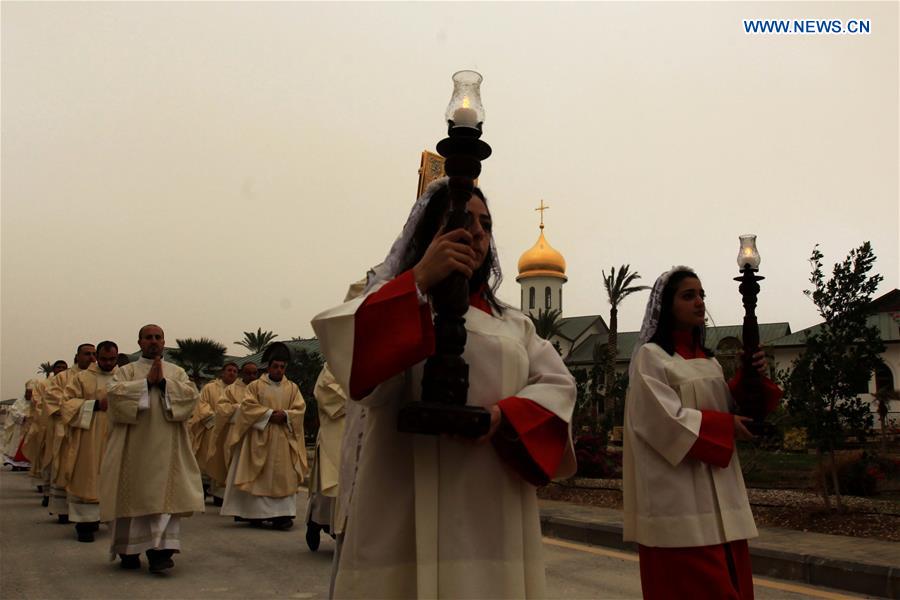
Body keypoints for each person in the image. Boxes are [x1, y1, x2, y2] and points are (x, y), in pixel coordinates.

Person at [311, 178, 576, 598]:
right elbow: (363, 376)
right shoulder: (396, 299)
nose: (476, 232)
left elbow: (559, 386)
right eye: (462, 220)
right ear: (429, 233)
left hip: (492, 505)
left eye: (485, 224)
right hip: (402, 498)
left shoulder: (516, 325)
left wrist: (503, 417)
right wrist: (418, 281)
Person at [623, 266, 782, 600]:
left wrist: (749, 377)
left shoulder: (709, 362)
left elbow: (727, 407)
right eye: (688, 295)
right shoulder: (650, 359)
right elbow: (662, 422)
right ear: (667, 306)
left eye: (701, 295)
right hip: (678, 507)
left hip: (723, 504)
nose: (699, 302)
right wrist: (726, 427)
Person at [101, 324, 204, 573]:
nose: (154, 341)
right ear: (139, 342)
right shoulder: (126, 372)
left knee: (165, 500)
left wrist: (165, 385)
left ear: (164, 341)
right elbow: (113, 397)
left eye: (158, 337)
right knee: (131, 497)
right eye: (148, 338)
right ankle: (129, 550)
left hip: (168, 447)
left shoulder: (176, 372)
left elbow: (191, 397)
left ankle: (161, 553)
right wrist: (146, 384)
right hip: (132, 449)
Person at [220, 343, 307, 530]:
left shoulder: (292, 388)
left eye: (282, 367)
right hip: (260, 437)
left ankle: (282, 515)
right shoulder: (255, 386)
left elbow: (299, 409)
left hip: (283, 438)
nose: (278, 370)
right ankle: (255, 514)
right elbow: (247, 407)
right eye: (275, 366)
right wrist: (268, 415)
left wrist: (286, 415)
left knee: (283, 475)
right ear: (268, 367)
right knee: (258, 474)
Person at [58, 340, 118, 542]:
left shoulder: (123, 377)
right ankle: (85, 524)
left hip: (116, 434)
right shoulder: (82, 378)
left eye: (112, 359)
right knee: (87, 476)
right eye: (104, 359)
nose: (108, 363)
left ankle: (109, 517)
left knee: (113, 476)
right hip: (88, 436)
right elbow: (66, 404)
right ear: (97, 358)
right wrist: (94, 405)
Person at [45, 345, 97, 522]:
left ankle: (90, 515)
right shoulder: (62, 377)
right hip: (66, 431)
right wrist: (87, 407)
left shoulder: (100, 376)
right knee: (65, 468)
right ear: (77, 356)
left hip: (93, 432)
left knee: (87, 472)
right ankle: (63, 510)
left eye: (93, 354)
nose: (91, 358)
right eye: (87, 354)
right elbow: (55, 401)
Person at [304, 363, 347, 551]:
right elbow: (326, 394)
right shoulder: (332, 364)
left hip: (363, 430)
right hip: (336, 434)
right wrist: (361, 396)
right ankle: (315, 523)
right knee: (331, 486)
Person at [206, 361, 258, 508]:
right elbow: (222, 408)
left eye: (255, 373)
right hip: (235, 434)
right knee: (233, 466)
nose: (252, 376)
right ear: (242, 374)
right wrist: (239, 408)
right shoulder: (231, 390)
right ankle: (228, 499)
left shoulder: (261, 388)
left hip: (255, 435)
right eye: (248, 373)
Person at [189, 362, 238, 503]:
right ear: (223, 372)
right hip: (210, 430)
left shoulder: (238, 390)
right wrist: (215, 420)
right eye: (229, 370)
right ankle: (203, 490)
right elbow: (202, 405)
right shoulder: (210, 387)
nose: (232, 373)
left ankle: (220, 494)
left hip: (228, 431)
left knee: (224, 462)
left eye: (235, 371)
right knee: (206, 459)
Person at [23, 361, 67, 499]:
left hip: (66, 424)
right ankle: (46, 488)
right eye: (59, 367)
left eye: (64, 368)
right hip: (46, 424)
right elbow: (38, 402)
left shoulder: (71, 380)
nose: (61, 370)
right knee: (47, 457)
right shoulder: (43, 385)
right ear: (53, 369)